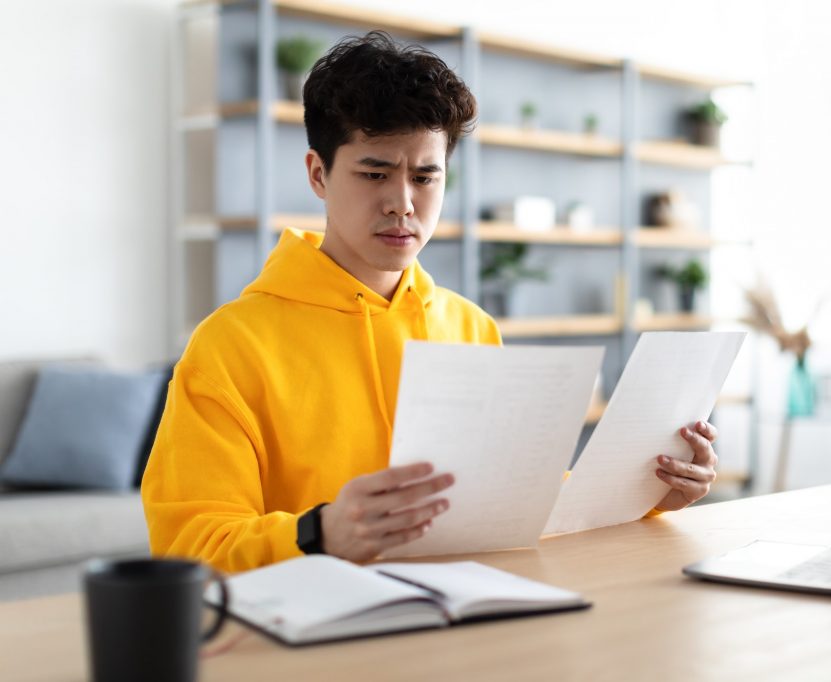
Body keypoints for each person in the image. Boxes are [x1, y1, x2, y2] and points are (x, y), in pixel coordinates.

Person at [141, 31, 719, 573]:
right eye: (374, 173)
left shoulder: (471, 327)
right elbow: (188, 546)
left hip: (462, 626)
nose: (402, 203)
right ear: (318, 174)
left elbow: (508, 500)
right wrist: (319, 534)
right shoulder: (231, 344)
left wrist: (651, 491)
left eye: (425, 176)